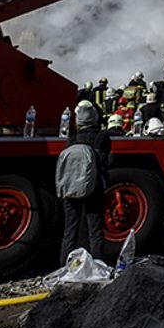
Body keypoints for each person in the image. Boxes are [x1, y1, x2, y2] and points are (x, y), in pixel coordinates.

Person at [59, 100, 111, 261]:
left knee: (69, 232)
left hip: (72, 187)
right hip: (93, 187)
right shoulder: (102, 137)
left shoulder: (72, 138)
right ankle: (98, 266)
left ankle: (64, 267)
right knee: (95, 231)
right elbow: (107, 161)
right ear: (95, 118)